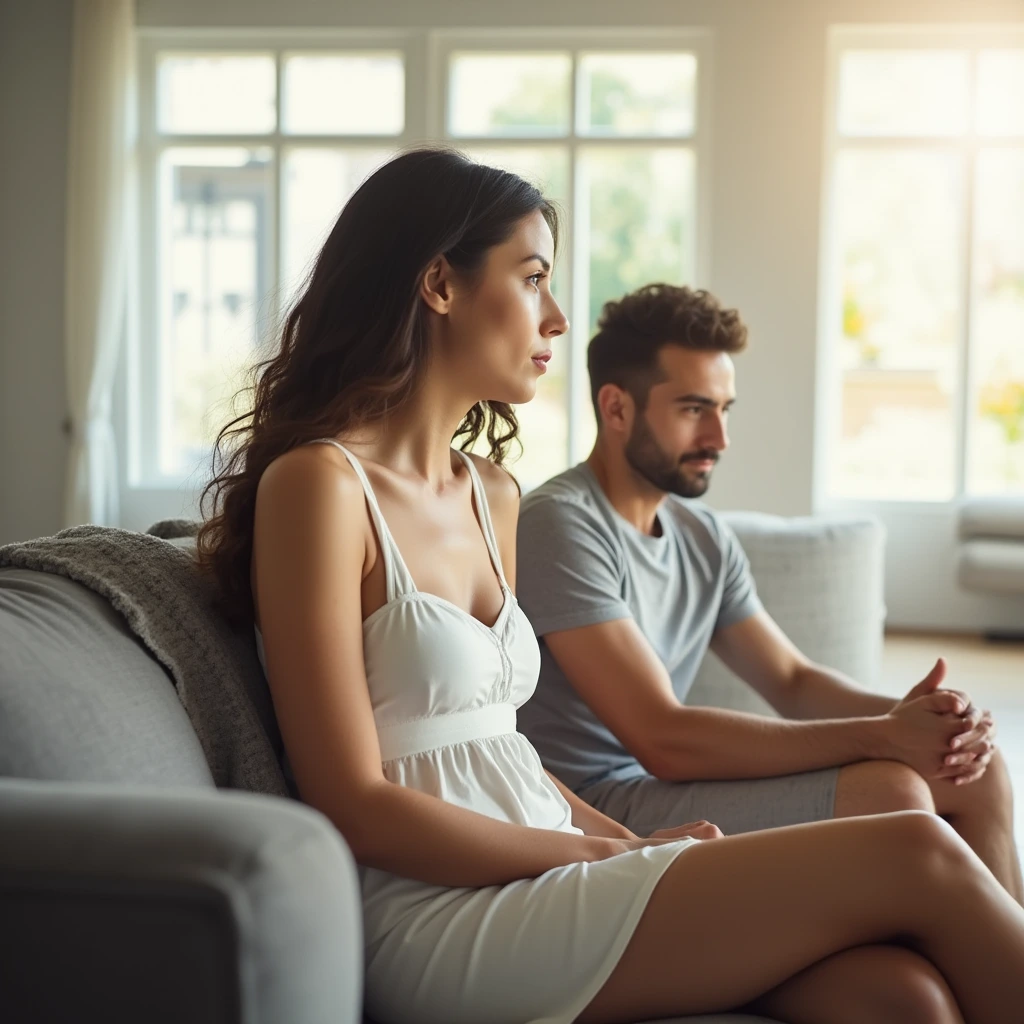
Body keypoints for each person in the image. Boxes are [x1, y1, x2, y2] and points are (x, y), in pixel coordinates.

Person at [196, 147, 1024, 1024]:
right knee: (914, 850)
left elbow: (500, 751)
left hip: (559, 856)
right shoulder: (319, 486)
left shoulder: (493, 493)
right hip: (432, 907)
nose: (555, 317)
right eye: (532, 277)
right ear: (439, 283)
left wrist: (631, 844)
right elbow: (353, 802)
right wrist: (590, 857)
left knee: (902, 996)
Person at [514, 283, 1024, 908]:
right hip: (595, 806)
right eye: (694, 409)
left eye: (725, 409)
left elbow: (793, 680)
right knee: (892, 790)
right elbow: (662, 736)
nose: (719, 438)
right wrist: (884, 736)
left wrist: (928, 722)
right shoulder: (558, 523)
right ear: (616, 408)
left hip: (656, 782)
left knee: (976, 770)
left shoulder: (702, 536)